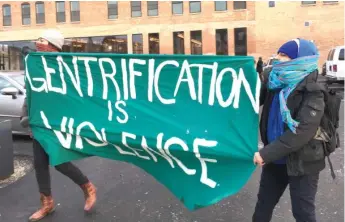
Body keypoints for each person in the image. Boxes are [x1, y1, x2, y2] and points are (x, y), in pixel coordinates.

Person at [21, 29, 97, 222]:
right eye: (37, 42)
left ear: (54, 47)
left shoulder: (64, 69)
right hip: (39, 126)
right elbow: (30, 96)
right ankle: (47, 204)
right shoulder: (35, 66)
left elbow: (72, 98)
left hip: (57, 126)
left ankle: (88, 187)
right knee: (40, 165)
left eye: (42, 42)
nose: (37, 45)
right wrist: (28, 121)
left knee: (60, 162)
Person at [253, 39, 325, 222]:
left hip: (303, 162)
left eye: (284, 55)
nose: (278, 59)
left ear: (300, 59)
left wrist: (265, 154)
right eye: (278, 54)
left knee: (303, 213)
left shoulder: (313, 91)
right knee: (263, 207)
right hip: (275, 160)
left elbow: (302, 131)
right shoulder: (274, 81)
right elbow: (250, 100)